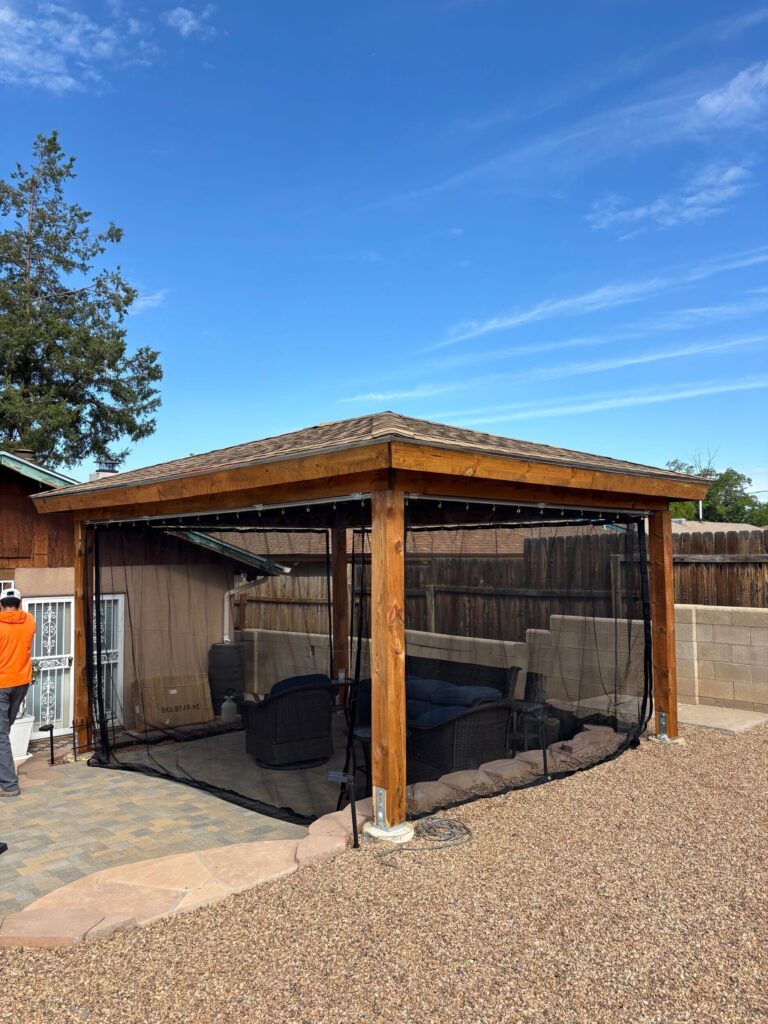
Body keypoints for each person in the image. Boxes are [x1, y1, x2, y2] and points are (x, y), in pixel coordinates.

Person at [0, 587, 36, 797]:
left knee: (1, 734)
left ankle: (9, 785)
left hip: (2, 684)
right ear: (20, 604)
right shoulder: (30, 620)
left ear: (2, 605)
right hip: (21, 683)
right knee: (4, 730)